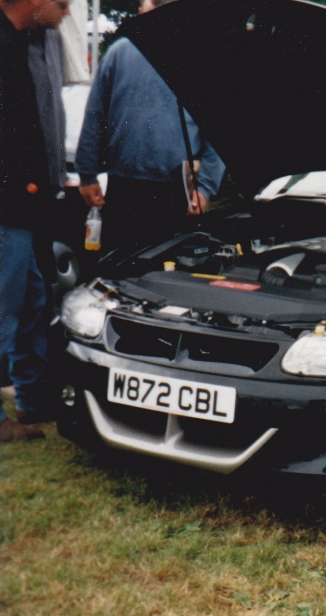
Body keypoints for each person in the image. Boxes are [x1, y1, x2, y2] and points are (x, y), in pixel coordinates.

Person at [76, 0, 225, 254]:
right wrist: (87, 175)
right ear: (141, 11)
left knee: (169, 275)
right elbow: (95, 116)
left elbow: (219, 131)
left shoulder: (202, 59)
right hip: (123, 187)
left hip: (177, 191)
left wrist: (204, 188)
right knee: (118, 270)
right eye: (153, 4)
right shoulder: (119, 53)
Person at [0, 0, 71, 442]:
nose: (65, 9)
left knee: (31, 303)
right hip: (7, 208)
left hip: (24, 208)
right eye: (61, 2)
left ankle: (31, 399)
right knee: (4, 312)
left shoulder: (24, 43)